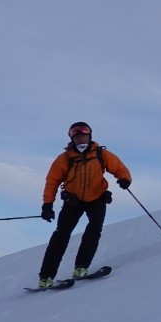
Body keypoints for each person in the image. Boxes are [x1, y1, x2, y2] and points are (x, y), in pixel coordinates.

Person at [38, 122, 132, 288]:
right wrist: (47, 205)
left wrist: (124, 179)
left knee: (94, 229)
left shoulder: (101, 154)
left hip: (97, 198)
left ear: (90, 135)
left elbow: (120, 168)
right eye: (76, 134)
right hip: (72, 201)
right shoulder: (64, 158)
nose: (80, 136)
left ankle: (81, 267)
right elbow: (52, 182)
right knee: (61, 235)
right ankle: (46, 277)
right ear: (72, 138)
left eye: (84, 133)